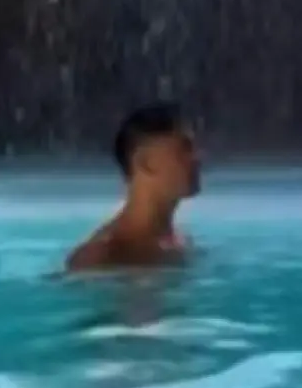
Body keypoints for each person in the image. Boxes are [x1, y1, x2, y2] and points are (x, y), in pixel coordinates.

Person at [65, 103, 201, 273]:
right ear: (146, 162)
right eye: (184, 149)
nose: (197, 158)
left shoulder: (181, 243)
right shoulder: (100, 257)